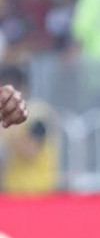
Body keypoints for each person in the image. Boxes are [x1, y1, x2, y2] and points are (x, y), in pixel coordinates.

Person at [0, 66, 59, 195]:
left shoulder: (38, 113)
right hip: (12, 194)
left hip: (38, 194)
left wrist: (8, 132)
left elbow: (31, 151)